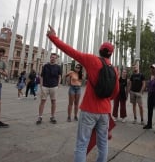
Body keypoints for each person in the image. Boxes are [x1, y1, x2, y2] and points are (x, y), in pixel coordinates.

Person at [47, 25, 119, 162]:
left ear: (100, 50)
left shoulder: (92, 60)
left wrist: (53, 37)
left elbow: (70, 51)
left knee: (82, 143)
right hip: (105, 112)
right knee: (103, 143)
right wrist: (105, 100)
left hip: (89, 109)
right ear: (111, 54)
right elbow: (115, 92)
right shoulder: (114, 70)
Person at [36, 53, 62, 125]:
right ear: (50, 58)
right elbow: (42, 76)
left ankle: (52, 116)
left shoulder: (58, 67)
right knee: (42, 101)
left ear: (56, 59)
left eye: (54, 57)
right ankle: (40, 116)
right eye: (52, 57)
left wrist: (58, 84)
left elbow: (60, 76)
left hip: (54, 86)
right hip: (45, 86)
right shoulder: (45, 66)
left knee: (53, 101)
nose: (53, 58)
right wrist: (41, 85)